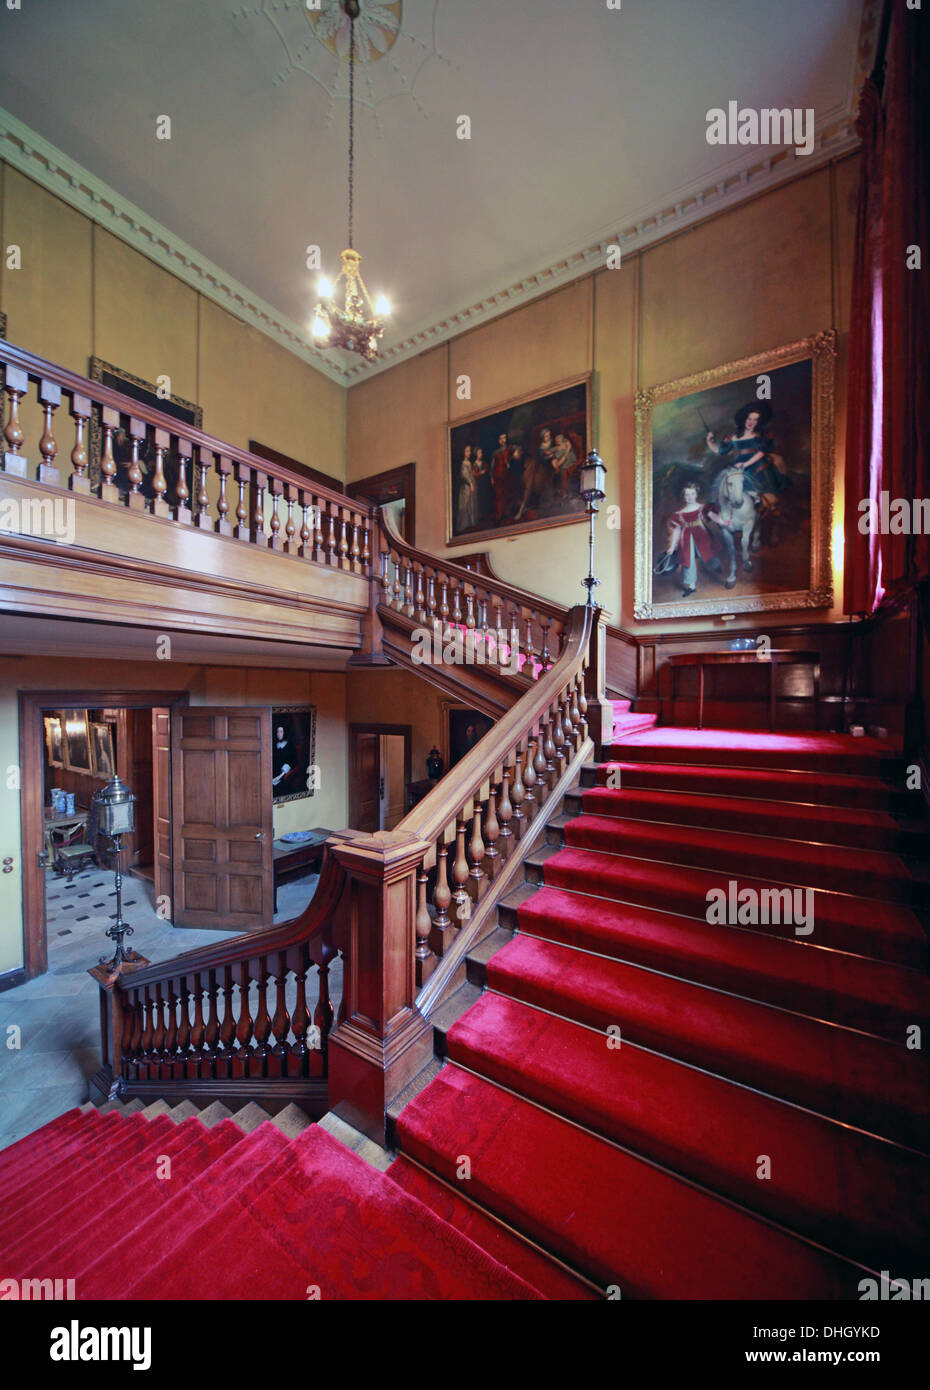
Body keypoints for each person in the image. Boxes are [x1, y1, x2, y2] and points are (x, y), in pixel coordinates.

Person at [656, 482, 722, 597]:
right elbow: (676, 530)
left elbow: (712, 516)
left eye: (692, 494)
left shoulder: (702, 508)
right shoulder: (680, 514)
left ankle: (715, 566)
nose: (689, 497)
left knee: (707, 554)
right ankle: (691, 586)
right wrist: (672, 546)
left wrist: (722, 522)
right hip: (686, 538)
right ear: (684, 497)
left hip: (702, 534)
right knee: (687, 559)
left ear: (696, 495)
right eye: (687, 495)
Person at [272, 723, 299, 796]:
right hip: (273, 772)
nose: (279, 734)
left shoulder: (290, 745)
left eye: (281, 732)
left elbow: (292, 762)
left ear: (284, 732)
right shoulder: (274, 745)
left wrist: (279, 777)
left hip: (285, 774)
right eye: (277, 732)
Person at [455, 445, 478, 533]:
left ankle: (471, 523)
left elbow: (472, 474)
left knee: (471, 504)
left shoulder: (469, 462)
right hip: (466, 487)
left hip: (471, 485)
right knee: (465, 504)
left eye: (469, 451)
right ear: (463, 453)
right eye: (467, 451)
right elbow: (464, 476)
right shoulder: (463, 463)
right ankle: (464, 525)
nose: (469, 453)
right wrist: (471, 483)